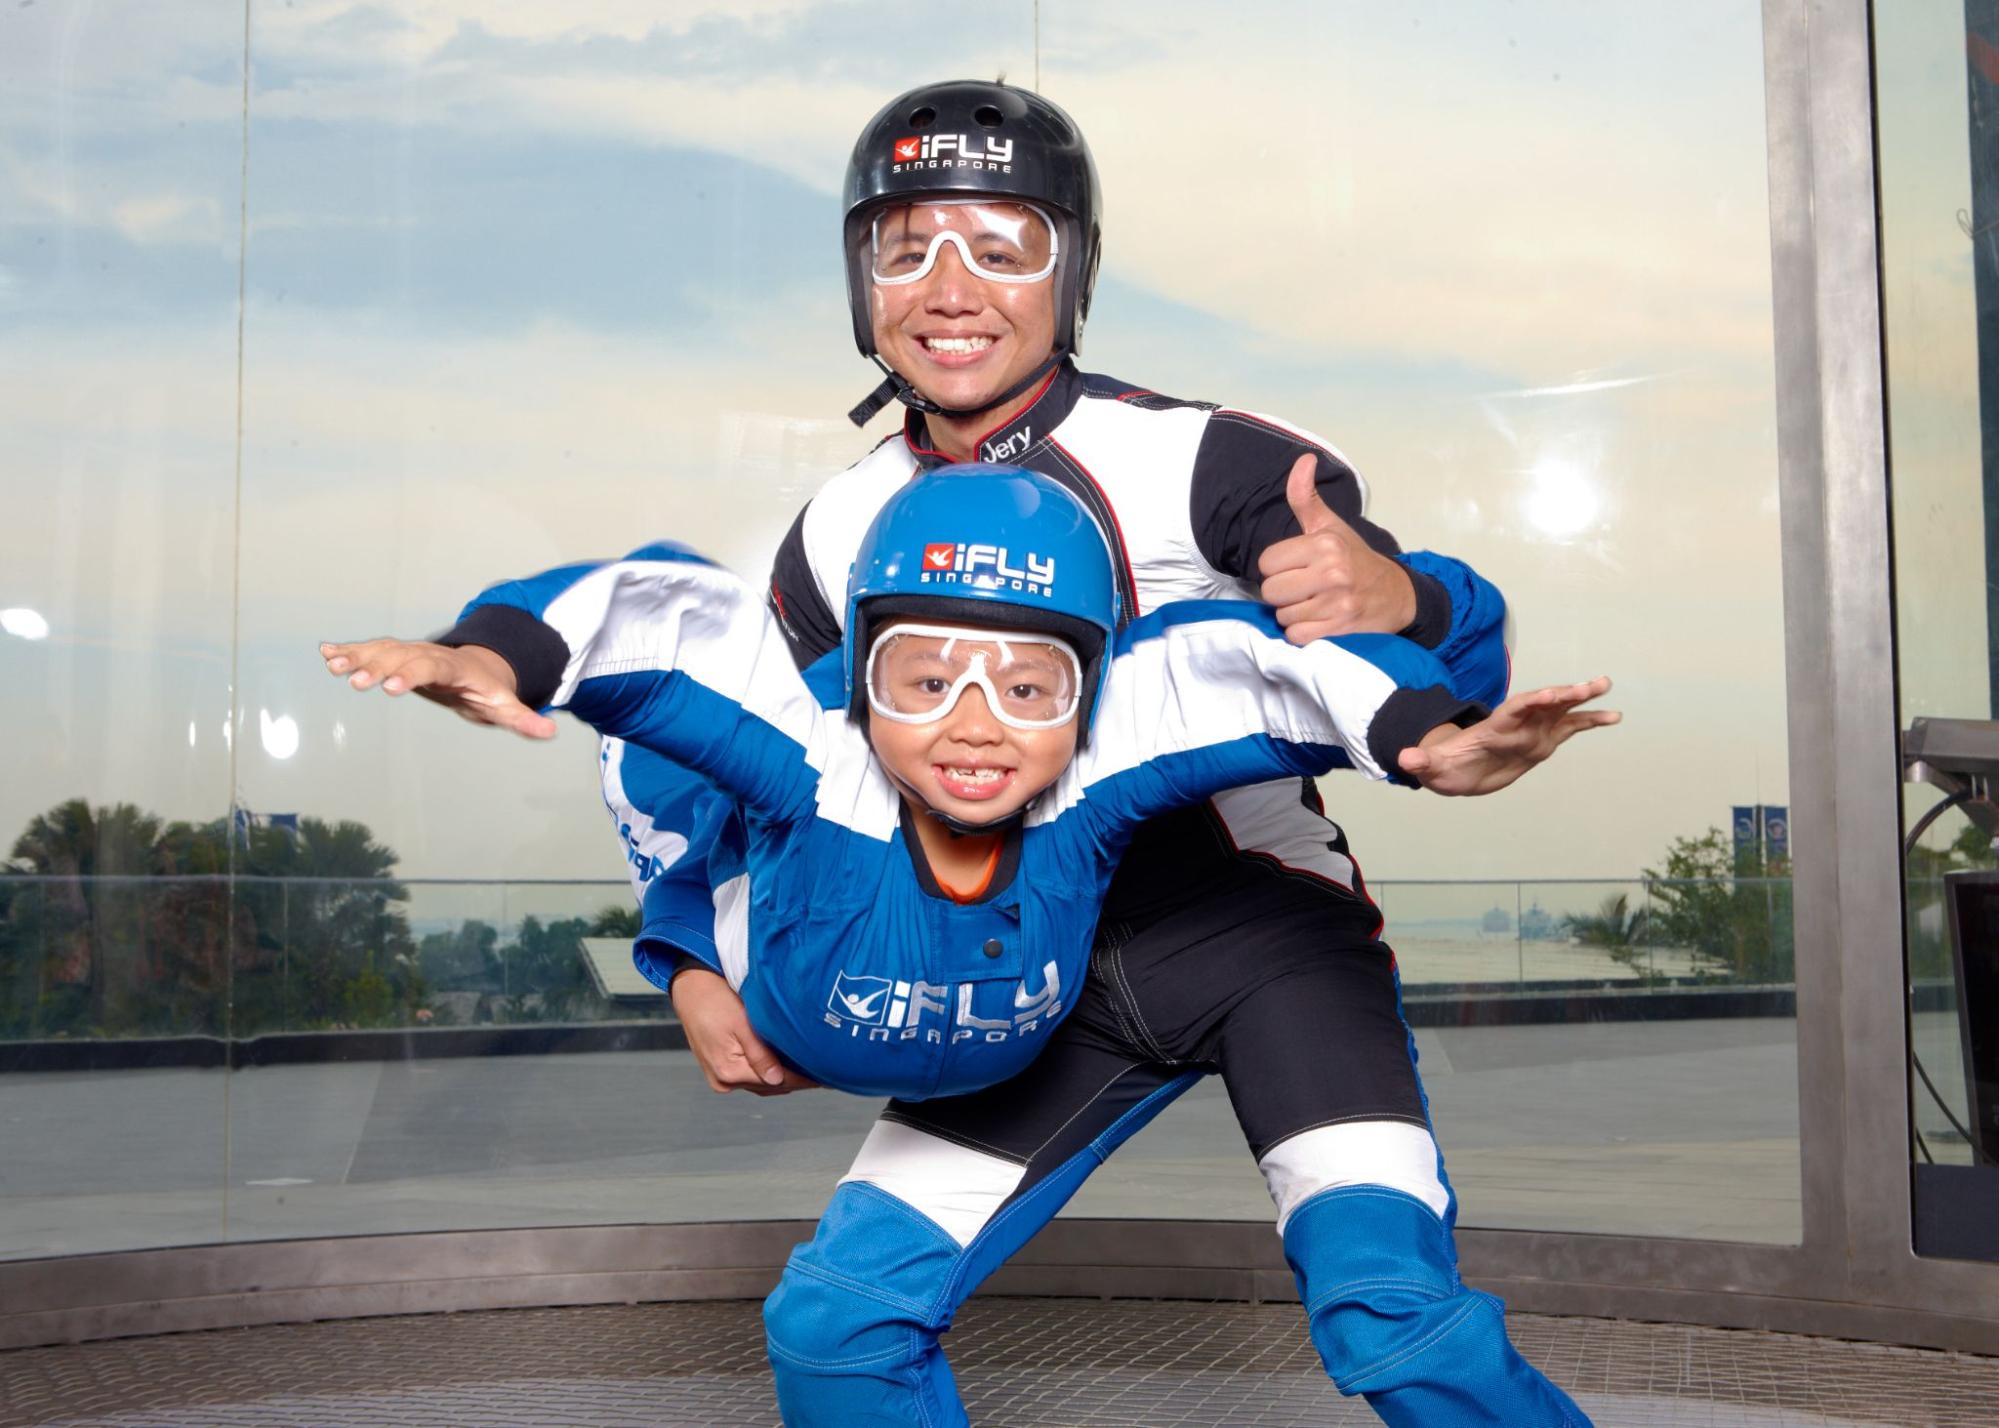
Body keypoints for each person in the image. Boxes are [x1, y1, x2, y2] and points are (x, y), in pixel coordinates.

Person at [447, 78, 1597, 1427]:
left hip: (1261, 941)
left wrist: (1416, 612)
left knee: (1394, 1323)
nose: (951, 287)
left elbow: (1411, 653)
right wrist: (691, 957)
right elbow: (739, 764)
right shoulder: (836, 534)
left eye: (1001, 248)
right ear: (860, 279)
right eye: (907, 246)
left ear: (1073, 273)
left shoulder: (1203, 461)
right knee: (839, 1324)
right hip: (1018, 979)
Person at [320, 463, 1613, 1102]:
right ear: (857, 679)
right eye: (925, 679)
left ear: (1091, 693)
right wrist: (479, 655)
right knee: (675, 765)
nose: (976, 731)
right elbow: (659, 619)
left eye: (1031, 689)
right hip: (795, 969)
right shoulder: (815, 748)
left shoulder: (1114, 745)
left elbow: (1272, 670)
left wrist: (1432, 746)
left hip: (1010, 1016)